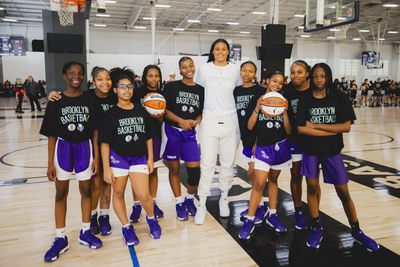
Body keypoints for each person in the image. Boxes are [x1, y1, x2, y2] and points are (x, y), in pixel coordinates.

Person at [296, 62, 379, 252]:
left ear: (328, 77)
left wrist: (316, 126)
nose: (319, 80)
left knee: (343, 191)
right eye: (316, 76)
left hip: (332, 151)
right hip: (310, 151)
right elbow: (301, 128)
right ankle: (316, 226)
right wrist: (330, 130)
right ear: (311, 77)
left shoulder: (339, 98)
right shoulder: (305, 99)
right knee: (311, 187)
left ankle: (356, 230)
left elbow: (346, 126)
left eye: (322, 76)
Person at [40, 62, 103, 262]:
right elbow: (51, 134)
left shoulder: (90, 99)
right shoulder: (56, 100)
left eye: (79, 73)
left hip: (84, 148)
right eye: (71, 73)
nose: (75, 76)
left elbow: (95, 131)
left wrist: (97, 158)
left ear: (83, 76)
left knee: (86, 190)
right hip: (63, 148)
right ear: (65, 76)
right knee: (61, 193)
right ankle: (60, 238)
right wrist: (50, 163)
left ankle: (85, 231)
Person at [47, 67, 116, 236]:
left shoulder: (116, 96)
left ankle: (104, 216)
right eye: (99, 79)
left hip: (112, 144)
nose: (104, 82)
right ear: (92, 81)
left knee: (108, 182)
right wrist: (52, 95)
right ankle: (91, 217)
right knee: (95, 184)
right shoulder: (88, 96)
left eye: (107, 78)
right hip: (92, 147)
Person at [100, 67, 162, 246]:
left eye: (129, 86)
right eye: (122, 86)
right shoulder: (110, 114)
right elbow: (105, 143)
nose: (127, 90)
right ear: (115, 90)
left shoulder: (142, 110)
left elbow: (149, 136)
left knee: (143, 194)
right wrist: (106, 168)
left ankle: (151, 219)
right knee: (118, 192)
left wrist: (150, 158)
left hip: (139, 158)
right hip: (118, 159)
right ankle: (126, 227)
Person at [238, 71, 292, 239]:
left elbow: (289, 130)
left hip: (281, 145)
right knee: (259, 184)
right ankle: (250, 220)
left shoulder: (284, 101)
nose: (277, 84)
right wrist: (257, 108)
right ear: (268, 81)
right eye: (274, 81)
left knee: (274, 180)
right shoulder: (259, 98)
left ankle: (273, 215)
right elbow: (250, 126)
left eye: (281, 83)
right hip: (263, 145)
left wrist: (284, 112)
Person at [194, 38, 241, 225]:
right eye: (217, 49)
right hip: (209, 119)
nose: (220, 52)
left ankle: (224, 198)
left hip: (231, 120)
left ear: (228, 51)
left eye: (223, 49)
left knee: (228, 163)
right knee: (207, 164)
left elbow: (239, 93)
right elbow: (199, 94)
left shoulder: (236, 69)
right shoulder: (204, 69)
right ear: (212, 51)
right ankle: (202, 203)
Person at [162, 57, 204, 221]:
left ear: (194, 67)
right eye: (184, 67)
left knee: (194, 172)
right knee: (174, 169)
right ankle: (179, 203)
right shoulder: (171, 86)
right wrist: (181, 121)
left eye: (190, 65)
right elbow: (165, 110)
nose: (188, 69)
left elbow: (201, 112)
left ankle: (189, 199)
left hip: (189, 134)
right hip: (172, 131)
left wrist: (196, 121)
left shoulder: (200, 89)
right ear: (180, 70)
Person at [284, 60, 320, 231]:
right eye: (292, 72)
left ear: (307, 73)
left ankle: (315, 213)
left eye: (299, 72)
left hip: (313, 141)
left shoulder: (316, 92)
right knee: (296, 175)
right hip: (295, 140)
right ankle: (298, 210)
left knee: (313, 181)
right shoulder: (287, 92)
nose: (295, 75)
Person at [130, 65, 165, 222]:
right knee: (137, 174)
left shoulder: (162, 94)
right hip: (138, 136)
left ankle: (153, 202)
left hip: (155, 135)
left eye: (156, 75)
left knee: (153, 171)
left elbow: (164, 119)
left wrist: (159, 116)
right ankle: (137, 205)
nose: (153, 79)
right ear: (145, 77)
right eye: (150, 76)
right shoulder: (136, 93)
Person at [233, 61, 266, 224]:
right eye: (244, 70)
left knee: (255, 174)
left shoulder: (261, 91)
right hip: (245, 137)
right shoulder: (236, 91)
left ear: (255, 73)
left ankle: (260, 206)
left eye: (250, 71)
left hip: (258, 139)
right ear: (240, 72)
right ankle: (259, 204)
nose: (247, 74)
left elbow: (264, 117)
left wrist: (258, 141)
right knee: (251, 173)